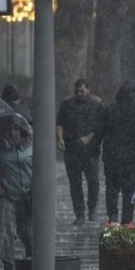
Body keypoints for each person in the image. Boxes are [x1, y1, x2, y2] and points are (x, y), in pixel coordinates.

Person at [0, 114, 33, 270]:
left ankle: (30, 254)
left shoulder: (31, 148)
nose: (13, 133)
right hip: (7, 194)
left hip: (28, 195)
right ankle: (8, 264)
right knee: (6, 229)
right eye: (10, 130)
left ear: (22, 131)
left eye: (16, 129)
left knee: (27, 231)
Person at [57, 78, 103, 224]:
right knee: (75, 184)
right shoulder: (67, 104)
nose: (79, 94)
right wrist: (60, 139)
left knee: (93, 182)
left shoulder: (96, 104)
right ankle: (79, 214)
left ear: (88, 90)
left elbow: (101, 126)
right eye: (77, 91)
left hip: (90, 150)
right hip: (72, 149)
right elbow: (60, 123)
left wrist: (90, 137)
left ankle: (92, 209)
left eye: (82, 91)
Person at [100, 80, 135, 224]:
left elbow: (101, 132)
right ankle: (126, 220)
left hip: (113, 158)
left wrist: (95, 150)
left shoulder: (110, 110)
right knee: (128, 191)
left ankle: (113, 216)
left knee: (112, 188)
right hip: (131, 159)